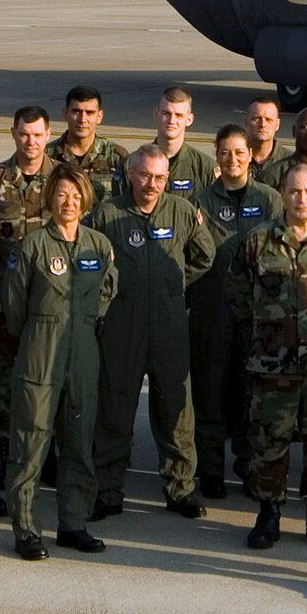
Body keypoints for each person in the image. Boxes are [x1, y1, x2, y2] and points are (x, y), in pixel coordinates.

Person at [88, 145, 218, 520]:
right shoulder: (107, 214)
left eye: (160, 177)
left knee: (175, 409)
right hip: (121, 326)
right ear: (131, 173)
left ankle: (180, 489)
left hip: (169, 325)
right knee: (114, 408)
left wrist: (172, 286)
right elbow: (92, 262)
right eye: (145, 175)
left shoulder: (181, 211)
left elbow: (203, 256)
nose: (152, 184)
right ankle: (108, 491)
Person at [231, 162, 307, 549]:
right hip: (272, 363)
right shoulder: (258, 240)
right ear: (282, 193)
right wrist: (266, 337)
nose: (302, 199)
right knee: (269, 440)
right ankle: (269, 512)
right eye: (295, 191)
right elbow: (238, 296)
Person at [2, 166, 117, 558]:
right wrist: (40, 331)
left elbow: (107, 290)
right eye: (61, 195)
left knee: (79, 441)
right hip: (40, 348)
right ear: (50, 199)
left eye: (75, 195)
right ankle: (27, 528)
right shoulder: (32, 245)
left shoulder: (98, 246)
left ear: (86, 200)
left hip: (83, 350)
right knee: (31, 441)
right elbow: (14, 305)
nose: (68, 202)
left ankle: (73, 522)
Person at [0, 105, 55, 511]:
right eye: (24, 134)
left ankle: (47, 452)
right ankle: (7, 452)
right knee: (4, 380)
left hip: (50, 299)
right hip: (4, 298)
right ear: (13, 134)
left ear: (48, 134)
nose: (31, 142)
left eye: (38, 135)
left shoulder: (64, 180)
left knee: (49, 376)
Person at [190, 124, 282, 498]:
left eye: (239, 153)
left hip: (257, 312)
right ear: (217, 156)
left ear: (250, 157)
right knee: (210, 387)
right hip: (212, 308)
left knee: (251, 389)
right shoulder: (199, 202)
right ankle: (210, 467)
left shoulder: (271, 200)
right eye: (225, 153)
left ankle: (247, 463)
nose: (233, 160)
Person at [52, 84, 127, 198]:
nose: (82, 119)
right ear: (65, 113)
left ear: (99, 116)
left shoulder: (117, 157)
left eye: (90, 112)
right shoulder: (47, 156)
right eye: (76, 112)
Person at [151, 86, 213, 200]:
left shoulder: (204, 168)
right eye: (166, 113)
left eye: (179, 115)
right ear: (156, 113)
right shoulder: (133, 164)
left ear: (189, 119)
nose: (171, 121)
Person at [244, 98, 283, 178]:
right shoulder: (235, 159)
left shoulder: (289, 162)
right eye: (256, 119)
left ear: (277, 124)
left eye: (268, 120)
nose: (262, 124)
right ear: (246, 122)